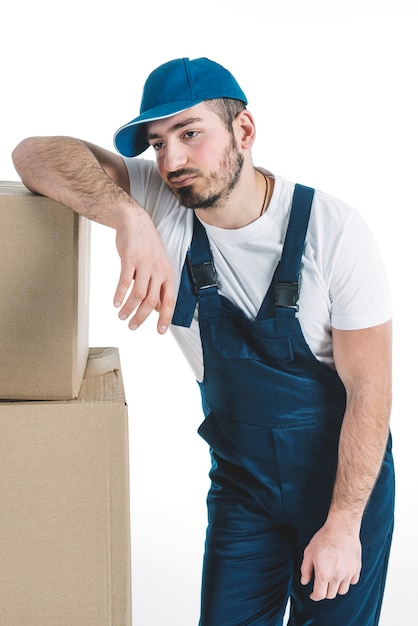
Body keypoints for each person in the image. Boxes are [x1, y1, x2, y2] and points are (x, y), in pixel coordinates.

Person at [12, 57, 394, 626]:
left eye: (190, 134)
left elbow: (371, 392)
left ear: (244, 131)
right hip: (242, 487)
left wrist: (343, 526)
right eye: (158, 143)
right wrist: (126, 216)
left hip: (338, 483)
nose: (172, 160)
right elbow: (33, 153)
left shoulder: (332, 230)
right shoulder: (159, 201)